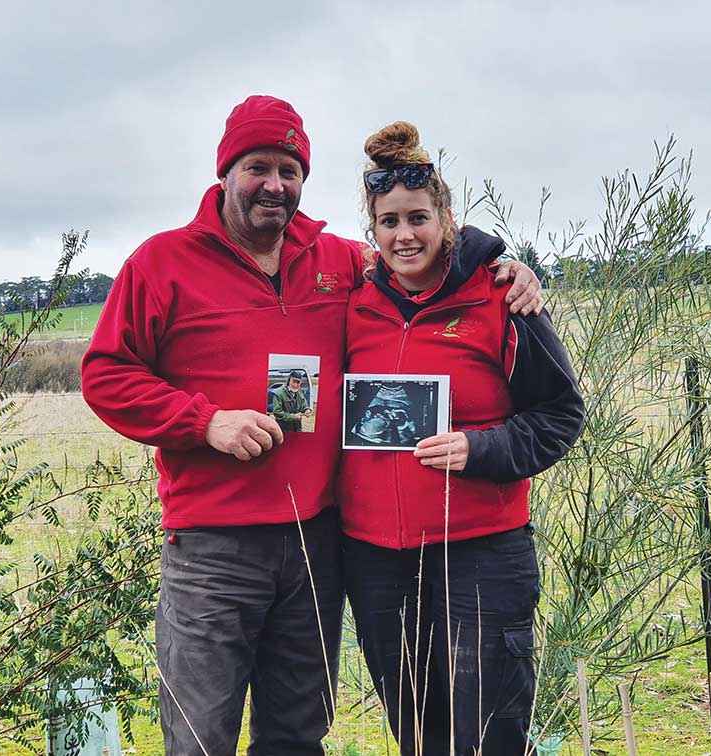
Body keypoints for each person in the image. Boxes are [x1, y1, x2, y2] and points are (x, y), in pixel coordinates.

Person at [80, 96, 542, 755]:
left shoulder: (340, 262)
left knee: (296, 735)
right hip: (212, 549)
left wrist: (511, 268)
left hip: (314, 543)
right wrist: (204, 422)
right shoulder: (162, 264)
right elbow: (105, 374)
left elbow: (422, 245)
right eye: (257, 167)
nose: (274, 185)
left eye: (289, 170)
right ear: (225, 172)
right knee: (201, 736)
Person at [339, 122, 585, 755]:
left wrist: (480, 450)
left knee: (490, 734)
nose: (405, 235)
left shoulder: (502, 297)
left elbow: (561, 415)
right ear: (373, 230)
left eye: (418, 217)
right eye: (389, 221)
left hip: (480, 555)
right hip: (378, 561)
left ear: (446, 216)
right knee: (418, 734)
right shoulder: (352, 299)